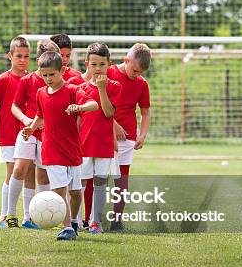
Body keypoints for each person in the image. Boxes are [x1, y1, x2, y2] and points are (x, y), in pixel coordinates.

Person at [22, 51, 98, 241]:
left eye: (51, 74)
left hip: (72, 149)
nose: (47, 79)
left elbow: (94, 104)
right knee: (59, 189)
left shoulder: (72, 90)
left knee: (75, 192)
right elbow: (40, 115)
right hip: (51, 149)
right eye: (44, 75)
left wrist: (78, 107)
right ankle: (66, 228)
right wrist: (31, 128)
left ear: (62, 70)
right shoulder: (40, 93)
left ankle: (73, 221)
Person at [7, 39, 60, 228]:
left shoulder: (57, 82)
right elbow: (15, 106)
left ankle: (33, 218)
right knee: (20, 168)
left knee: (43, 177)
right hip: (27, 133)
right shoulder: (27, 80)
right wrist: (26, 120)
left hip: (47, 135)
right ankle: (10, 215)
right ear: (39, 60)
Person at [107, 43, 152, 232]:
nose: (136, 74)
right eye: (134, 70)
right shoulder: (108, 73)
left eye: (140, 72)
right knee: (96, 178)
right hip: (103, 134)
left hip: (127, 139)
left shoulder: (141, 84)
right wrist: (112, 124)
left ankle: (117, 222)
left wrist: (142, 134)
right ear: (126, 60)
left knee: (122, 180)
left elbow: (145, 111)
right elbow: (98, 101)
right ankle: (89, 220)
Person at [77, 43, 121, 234]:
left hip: (104, 145)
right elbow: (78, 120)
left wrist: (102, 89)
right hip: (83, 145)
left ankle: (95, 221)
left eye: (102, 64)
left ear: (109, 64)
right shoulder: (79, 89)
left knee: (100, 183)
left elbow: (109, 112)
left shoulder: (115, 87)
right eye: (93, 64)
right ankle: (76, 221)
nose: (97, 68)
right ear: (87, 64)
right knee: (80, 184)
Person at [0, 37, 30, 228]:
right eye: (18, 56)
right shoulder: (3, 80)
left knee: (29, 174)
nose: (22, 60)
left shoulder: (33, 79)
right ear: (10, 56)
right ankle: (4, 216)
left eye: (26, 56)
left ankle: (29, 217)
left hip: (28, 134)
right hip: (8, 134)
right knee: (12, 173)